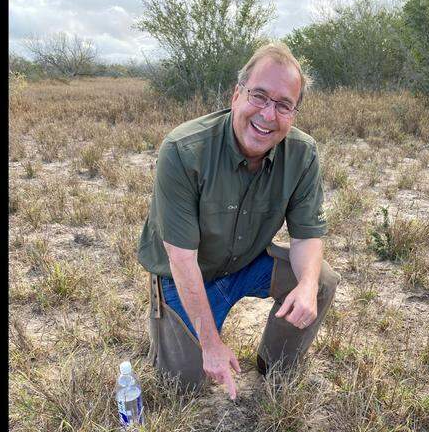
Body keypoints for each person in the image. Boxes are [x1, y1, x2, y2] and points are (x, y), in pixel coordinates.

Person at [137, 42, 340, 400]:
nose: (268, 115)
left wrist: (306, 285)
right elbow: (181, 259)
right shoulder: (183, 150)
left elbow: (307, 236)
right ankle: (176, 328)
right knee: (182, 386)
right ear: (236, 95)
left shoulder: (303, 153)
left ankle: (275, 367)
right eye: (259, 96)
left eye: (283, 105)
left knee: (319, 280)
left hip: (247, 263)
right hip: (186, 275)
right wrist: (211, 345)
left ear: (294, 113)